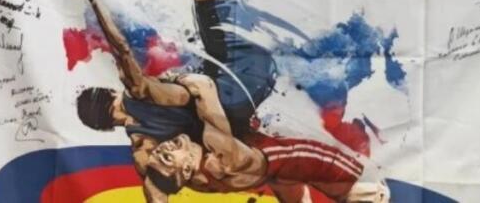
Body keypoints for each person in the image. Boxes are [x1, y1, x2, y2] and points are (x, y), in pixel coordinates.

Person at [62, 0, 282, 184]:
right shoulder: (137, 92)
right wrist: (95, 0)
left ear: (106, 128)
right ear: (110, 91)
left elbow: (157, 188)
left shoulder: (142, 148)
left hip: (241, 103)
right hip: (243, 79)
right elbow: (122, 49)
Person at [140, 72, 390, 202]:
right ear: (185, 169)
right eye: (166, 157)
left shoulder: (179, 179)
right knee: (365, 189)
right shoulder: (219, 153)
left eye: (159, 152)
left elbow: (156, 186)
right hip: (298, 162)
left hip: (280, 164)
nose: (163, 149)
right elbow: (203, 85)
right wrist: (174, 78)